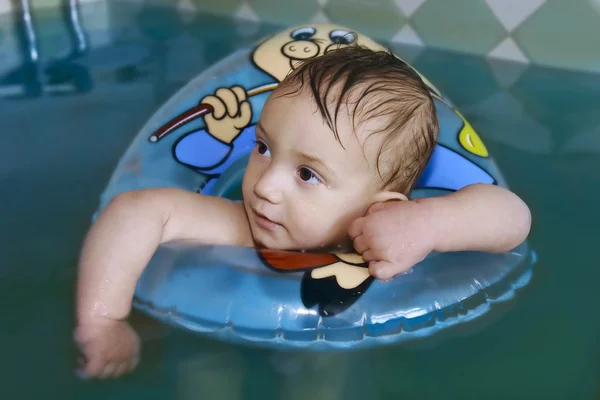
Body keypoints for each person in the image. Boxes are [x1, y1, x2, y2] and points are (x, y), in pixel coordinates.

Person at [74, 45, 531, 379]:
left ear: (381, 207)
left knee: (322, 372)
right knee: (207, 373)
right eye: (264, 147)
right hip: (212, 335)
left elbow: (513, 220)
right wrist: (102, 321)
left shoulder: (382, 233)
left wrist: (432, 223)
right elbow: (133, 211)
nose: (265, 186)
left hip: (336, 342)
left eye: (308, 175)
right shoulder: (234, 225)